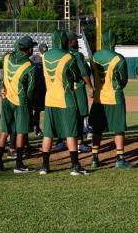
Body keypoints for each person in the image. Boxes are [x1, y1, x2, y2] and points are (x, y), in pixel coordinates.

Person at [39, 30, 88, 176]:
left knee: (48, 134)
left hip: (49, 100)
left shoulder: (45, 56)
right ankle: (74, 166)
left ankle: (45, 166)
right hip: (66, 99)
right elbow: (75, 76)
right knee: (71, 133)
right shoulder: (69, 57)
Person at [90, 29, 133, 169]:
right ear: (113, 41)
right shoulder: (118, 58)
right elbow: (123, 80)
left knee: (97, 130)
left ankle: (94, 158)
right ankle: (120, 159)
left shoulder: (94, 57)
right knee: (118, 129)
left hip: (98, 99)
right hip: (114, 98)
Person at [0, 35, 37, 174]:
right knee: (21, 132)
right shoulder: (29, 66)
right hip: (20, 102)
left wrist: (0, 86)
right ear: (29, 50)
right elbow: (30, 91)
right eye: (32, 48)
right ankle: (18, 164)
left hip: (6, 100)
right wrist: (29, 105)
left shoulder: (6, 57)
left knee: (5, 131)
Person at [68, 31, 94, 152]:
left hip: (65, 90)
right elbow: (84, 73)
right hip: (77, 88)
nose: (77, 41)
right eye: (75, 39)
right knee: (80, 115)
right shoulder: (77, 55)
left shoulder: (62, 54)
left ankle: (64, 141)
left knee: (69, 115)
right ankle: (79, 143)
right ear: (70, 41)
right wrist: (90, 86)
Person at [31, 43, 48, 137]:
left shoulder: (48, 58)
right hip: (37, 89)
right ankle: (37, 129)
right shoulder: (33, 59)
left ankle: (47, 129)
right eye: (42, 52)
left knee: (48, 110)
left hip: (46, 89)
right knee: (36, 110)